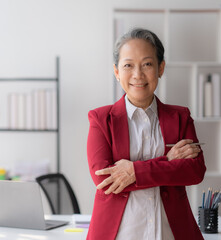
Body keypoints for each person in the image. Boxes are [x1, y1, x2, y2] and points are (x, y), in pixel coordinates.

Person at [86, 28, 206, 240]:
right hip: (119, 234)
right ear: (116, 72)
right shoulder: (100, 119)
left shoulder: (180, 117)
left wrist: (134, 171)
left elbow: (194, 172)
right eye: (128, 65)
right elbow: (104, 179)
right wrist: (167, 161)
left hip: (171, 233)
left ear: (161, 68)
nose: (138, 75)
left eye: (147, 64)